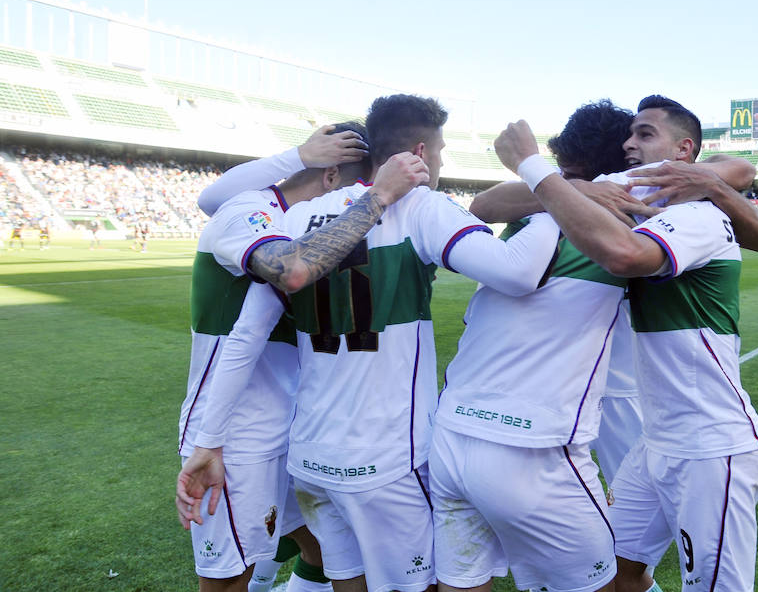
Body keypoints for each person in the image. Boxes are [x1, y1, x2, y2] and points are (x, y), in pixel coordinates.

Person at [178, 93, 561, 592]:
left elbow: (245, 337)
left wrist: (207, 439)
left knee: (346, 579)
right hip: (386, 457)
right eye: (441, 151)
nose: (441, 162)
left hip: (312, 456)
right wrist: (557, 204)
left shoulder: (293, 221)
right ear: (420, 153)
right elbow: (517, 273)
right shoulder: (421, 206)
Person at [437, 99, 758, 592]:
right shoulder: (632, 196)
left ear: (683, 151)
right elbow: (485, 206)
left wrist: (539, 169)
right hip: (655, 437)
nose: (633, 145)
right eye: (629, 137)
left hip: (710, 440)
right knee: (619, 573)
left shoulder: (696, 211)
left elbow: (629, 251)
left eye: (645, 134)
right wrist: (572, 186)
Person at [175, 124, 426, 592]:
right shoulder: (248, 211)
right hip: (235, 430)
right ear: (331, 176)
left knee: (318, 545)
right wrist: (373, 196)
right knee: (230, 576)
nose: (351, 205)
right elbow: (285, 270)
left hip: (293, 421)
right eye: (353, 189)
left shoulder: (292, 221)